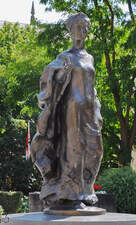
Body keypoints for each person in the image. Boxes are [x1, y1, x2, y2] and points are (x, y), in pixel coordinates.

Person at [31, 12, 103, 211]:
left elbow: (92, 86)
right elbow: (48, 78)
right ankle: (71, 194)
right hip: (72, 110)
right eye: (78, 27)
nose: (82, 31)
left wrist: (97, 109)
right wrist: (59, 76)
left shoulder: (89, 58)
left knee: (96, 150)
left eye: (85, 27)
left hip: (89, 110)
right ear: (70, 30)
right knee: (74, 150)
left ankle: (87, 190)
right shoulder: (65, 57)